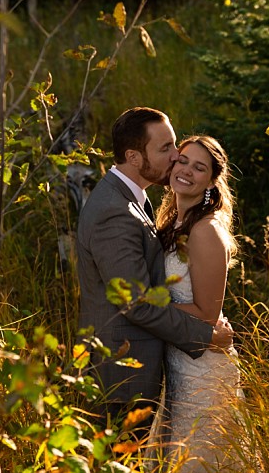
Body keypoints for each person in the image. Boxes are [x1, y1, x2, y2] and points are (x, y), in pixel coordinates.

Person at [76, 107, 234, 440]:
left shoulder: (134, 200)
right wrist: (206, 336)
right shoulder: (115, 213)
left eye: (174, 145)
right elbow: (137, 304)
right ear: (134, 157)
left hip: (153, 369)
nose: (176, 157)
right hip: (122, 376)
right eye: (166, 148)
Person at [156, 135, 244, 473]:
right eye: (182, 161)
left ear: (212, 181)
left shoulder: (207, 230)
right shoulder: (175, 220)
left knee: (200, 469)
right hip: (177, 358)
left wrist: (145, 308)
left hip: (202, 365)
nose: (185, 171)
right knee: (176, 464)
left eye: (199, 167)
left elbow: (209, 314)